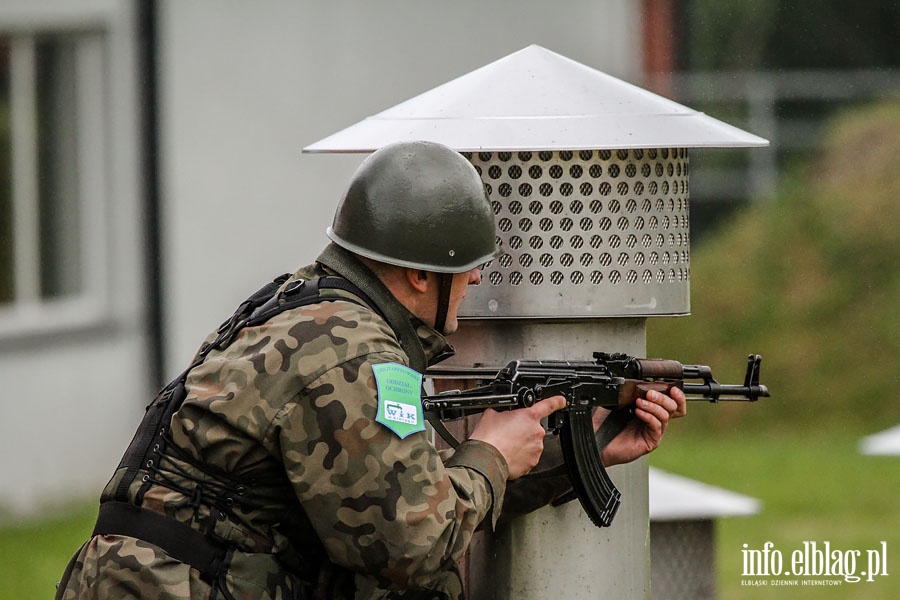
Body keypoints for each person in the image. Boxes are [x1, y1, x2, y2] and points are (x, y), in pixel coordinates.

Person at [56, 141, 686, 600]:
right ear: (418, 275)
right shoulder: (352, 353)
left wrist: (592, 451)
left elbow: (391, 493)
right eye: (465, 265)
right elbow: (410, 546)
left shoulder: (314, 308)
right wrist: (491, 454)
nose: (475, 278)